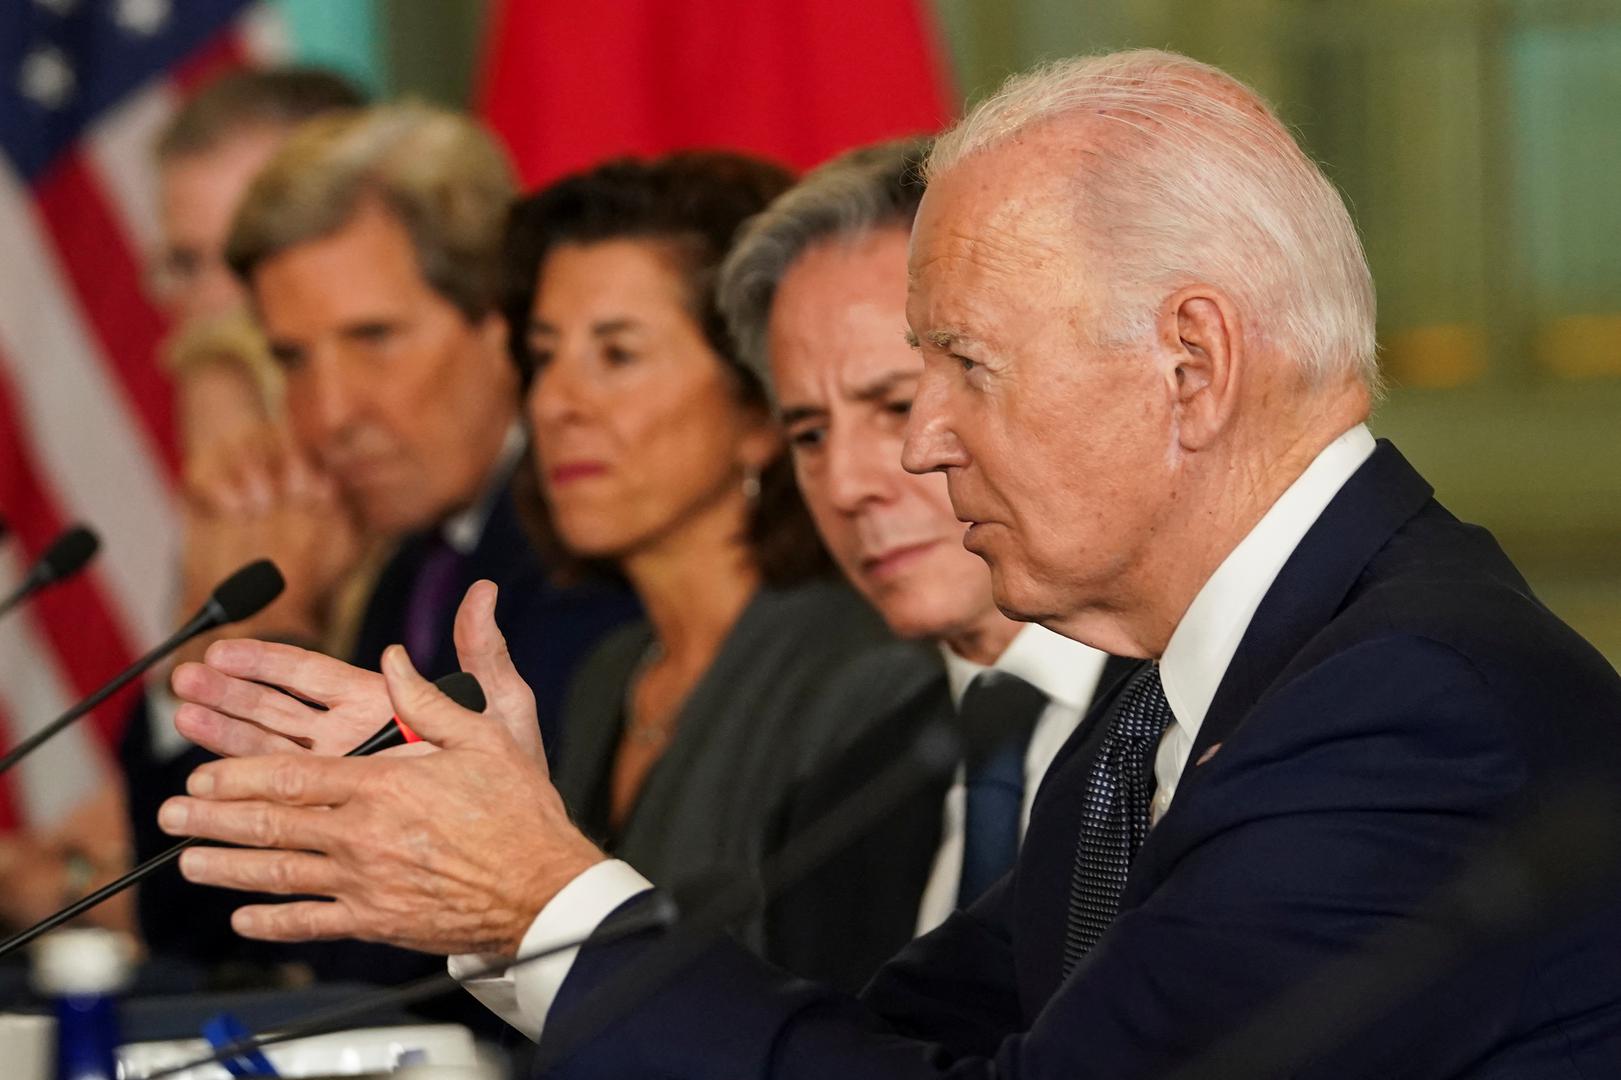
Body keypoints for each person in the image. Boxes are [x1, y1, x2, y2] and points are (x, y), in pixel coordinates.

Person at [157, 49, 1621, 1078]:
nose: (918, 451)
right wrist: (506, 887)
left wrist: (543, 902)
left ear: (1190, 363)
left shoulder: (1410, 712)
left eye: (961, 368)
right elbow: (884, 1040)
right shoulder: (1166, 698)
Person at [173, 151, 899, 973]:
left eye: (616, 355)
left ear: (758, 406)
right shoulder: (612, 676)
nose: (555, 402)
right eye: (546, 355)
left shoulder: (862, 672)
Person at [142, 104, 640, 988]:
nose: (331, 415)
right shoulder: (414, 560)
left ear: (501, 323)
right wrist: (207, 638)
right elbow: (198, 915)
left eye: (373, 339)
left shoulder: (592, 555)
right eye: (293, 358)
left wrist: (274, 645)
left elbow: (390, 947)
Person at [718, 138, 1135, 991]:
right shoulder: (837, 807)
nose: (843, 484)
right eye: (808, 433)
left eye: (894, 406)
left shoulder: (1205, 723)